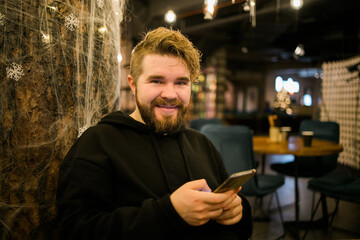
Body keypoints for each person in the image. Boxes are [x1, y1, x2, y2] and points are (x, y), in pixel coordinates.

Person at [56, 27, 252, 240]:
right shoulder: (97, 143)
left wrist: (239, 212)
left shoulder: (202, 144)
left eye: (181, 82)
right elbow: (74, 229)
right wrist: (169, 213)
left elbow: (237, 223)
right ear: (133, 84)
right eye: (156, 81)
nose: (170, 94)